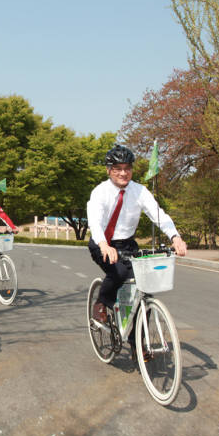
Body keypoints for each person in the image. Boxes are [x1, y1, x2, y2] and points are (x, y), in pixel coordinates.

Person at [87, 144, 187, 343]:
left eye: (127, 168)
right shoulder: (100, 192)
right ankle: (101, 303)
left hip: (127, 244)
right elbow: (95, 221)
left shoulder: (139, 191)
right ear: (109, 170)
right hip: (102, 243)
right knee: (119, 273)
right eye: (117, 169)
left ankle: (138, 344)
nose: (123, 173)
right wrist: (104, 245)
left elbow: (159, 215)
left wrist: (175, 237)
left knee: (144, 287)